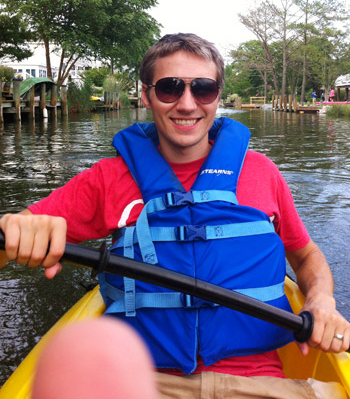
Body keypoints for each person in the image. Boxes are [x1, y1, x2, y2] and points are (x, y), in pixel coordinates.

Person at [0, 33, 349, 399]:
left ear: (216, 96)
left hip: (261, 383)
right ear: (147, 94)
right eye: (169, 88)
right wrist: (16, 232)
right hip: (141, 382)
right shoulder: (106, 179)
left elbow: (306, 254)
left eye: (203, 88)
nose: (187, 104)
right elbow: (8, 246)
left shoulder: (261, 172)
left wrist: (321, 302)